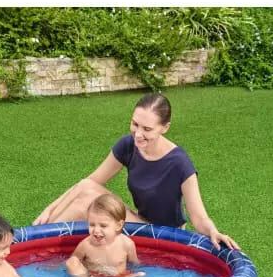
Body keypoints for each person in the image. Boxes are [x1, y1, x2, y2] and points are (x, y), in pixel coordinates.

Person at [33, 92, 240, 251]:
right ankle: (40, 238)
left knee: (84, 203)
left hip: (163, 235)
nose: (138, 134)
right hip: (139, 222)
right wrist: (49, 210)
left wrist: (213, 231)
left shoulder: (180, 163)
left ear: (165, 128)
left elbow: (198, 217)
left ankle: (41, 247)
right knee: (87, 188)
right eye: (135, 124)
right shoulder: (128, 145)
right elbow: (89, 183)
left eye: (147, 129)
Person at [66, 193, 146, 277]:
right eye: (92, 225)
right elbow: (75, 260)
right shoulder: (86, 245)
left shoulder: (126, 244)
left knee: (139, 274)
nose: (96, 230)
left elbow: (134, 264)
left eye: (103, 226)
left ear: (118, 225)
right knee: (72, 262)